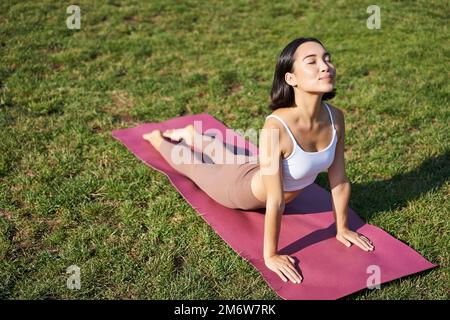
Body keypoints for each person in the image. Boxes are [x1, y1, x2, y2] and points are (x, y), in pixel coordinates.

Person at [142, 37, 374, 285]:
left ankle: (191, 135)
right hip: (239, 190)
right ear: (291, 78)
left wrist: (342, 228)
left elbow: (339, 180)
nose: (325, 66)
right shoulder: (276, 126)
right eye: (312, 61)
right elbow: (274, 200)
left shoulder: (335, 117)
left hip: (257, 170)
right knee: (194, 166)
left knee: (229, 157)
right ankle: (158, 139)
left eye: (327, 58)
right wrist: (271, 255)